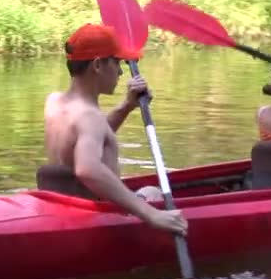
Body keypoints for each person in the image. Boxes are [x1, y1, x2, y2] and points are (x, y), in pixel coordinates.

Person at [43, 23, 187, 235]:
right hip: (99, 218)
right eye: (117, 62)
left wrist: (127, 106)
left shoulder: (55, 102)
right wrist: (152, 214)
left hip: (62, 209)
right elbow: (87, 169)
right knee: (153, 192)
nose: (120, 72)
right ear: (98, 65)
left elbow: (91, 136)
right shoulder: (90, 117)